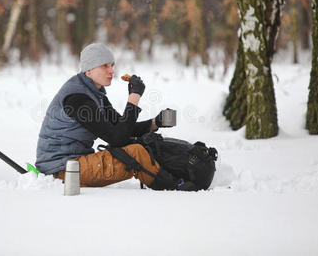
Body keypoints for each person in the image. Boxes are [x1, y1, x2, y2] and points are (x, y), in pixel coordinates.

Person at [36, 43, 197, 190]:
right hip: (63, 170)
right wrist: (133, 98)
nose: (112, 71)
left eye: (112, 65)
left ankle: (178, 177)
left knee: (142, 144)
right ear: (89, 70)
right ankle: (176, 188)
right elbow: (117, 138)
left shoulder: (93, 93)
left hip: (73, 163)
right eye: (105, 66)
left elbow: (121, 127)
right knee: (136, 153)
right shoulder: (77, 99)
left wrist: (156, 123)